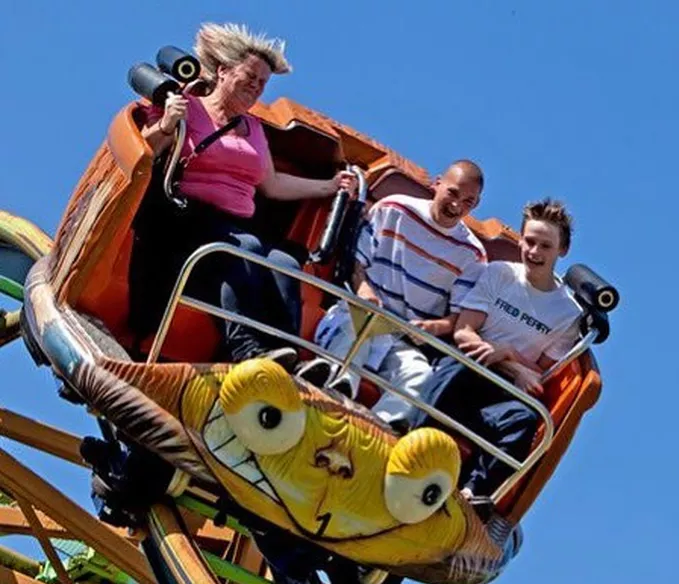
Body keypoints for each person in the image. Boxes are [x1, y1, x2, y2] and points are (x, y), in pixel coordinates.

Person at [132, 22, 356, 363]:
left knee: (283, 262)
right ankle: (245, 349)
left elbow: (272, 184)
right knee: (245, 248)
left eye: (262, 83)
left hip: (235, 226)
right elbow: (146, 151)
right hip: (186, 218)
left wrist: (328, 187)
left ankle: (285, 356)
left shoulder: (251, 128)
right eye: (250, 76)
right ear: (222, 72)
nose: (256, 87)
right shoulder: (188, 105)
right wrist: (166, 124)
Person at [409, 199, 583, 512]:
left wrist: (506, 354)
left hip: (501, 389)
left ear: (562, 251)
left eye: (545, 246)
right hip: (468, 366)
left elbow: (539, 375)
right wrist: (508, 361)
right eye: (529, 242)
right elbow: (464, 332)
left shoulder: (567, 314)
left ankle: (474, 495)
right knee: (457, 368)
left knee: (523, 419)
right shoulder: (500, 274)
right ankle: (407, 445)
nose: (534, 252)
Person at [304, 160, 487, 428]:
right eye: (453, 193)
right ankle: (332, 391)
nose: (457, 205)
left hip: (403, 336)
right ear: (437, 184)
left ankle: (377, 430)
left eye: (468, 202)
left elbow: (458, 319)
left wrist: (434, 327)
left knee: (420, 375)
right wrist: (364, 290)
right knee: (355, 336)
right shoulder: (395, 209)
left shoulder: (472, 254)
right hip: (361, 312)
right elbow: (356, 263)